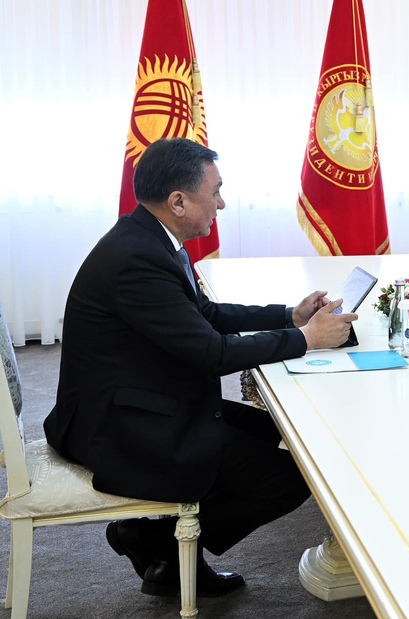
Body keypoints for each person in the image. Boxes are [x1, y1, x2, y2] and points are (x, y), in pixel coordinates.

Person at [43, 138, 358, 596]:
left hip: (148, 398)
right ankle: (160, 544)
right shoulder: (137, 260)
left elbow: (204, 315)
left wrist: (289, 316)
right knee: (287, 479)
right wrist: (307, 339)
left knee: (285, 434)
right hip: (119, 424)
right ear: (178, 201)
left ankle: (154, 540)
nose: (222, 203)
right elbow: (213, 354)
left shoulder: (151, 237)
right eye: (215, 192)